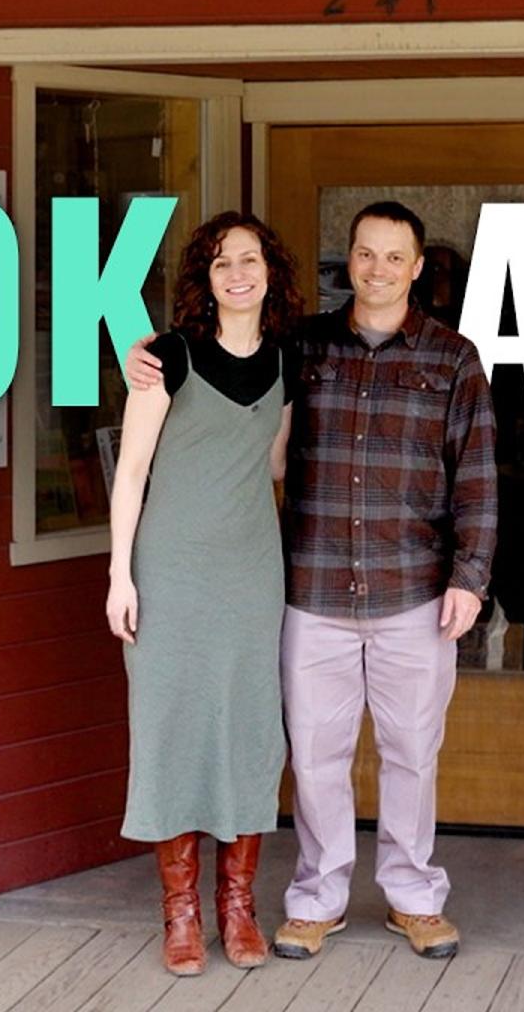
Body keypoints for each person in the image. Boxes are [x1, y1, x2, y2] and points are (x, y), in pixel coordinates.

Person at [128, 201, 497, 962]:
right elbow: (228, 355)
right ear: (347, 260)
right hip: (314, 590)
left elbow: (478, 477)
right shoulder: (303, 346)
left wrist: (470, 576)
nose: (377, 269)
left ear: (417, 268)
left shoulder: (452, 358)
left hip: (413, 588)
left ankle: (414, 897)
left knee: (411, 751)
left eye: (394, 257)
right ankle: (317, 898)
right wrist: (147, 355)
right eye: (365, 253)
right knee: (315, 756)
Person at [105, 211, 303, 976]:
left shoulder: (285, 360)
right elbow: (131, 472)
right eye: (221, 263)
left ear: (270, 272)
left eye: (249, 259)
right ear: (205, 279)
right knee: (172, 727)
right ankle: (182, 912)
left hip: (251, 574)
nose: (237, 274)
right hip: (171, 572)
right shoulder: (168, 358)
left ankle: (238, 905)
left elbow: (275, 464)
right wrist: (119, 574)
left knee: (249, 728)